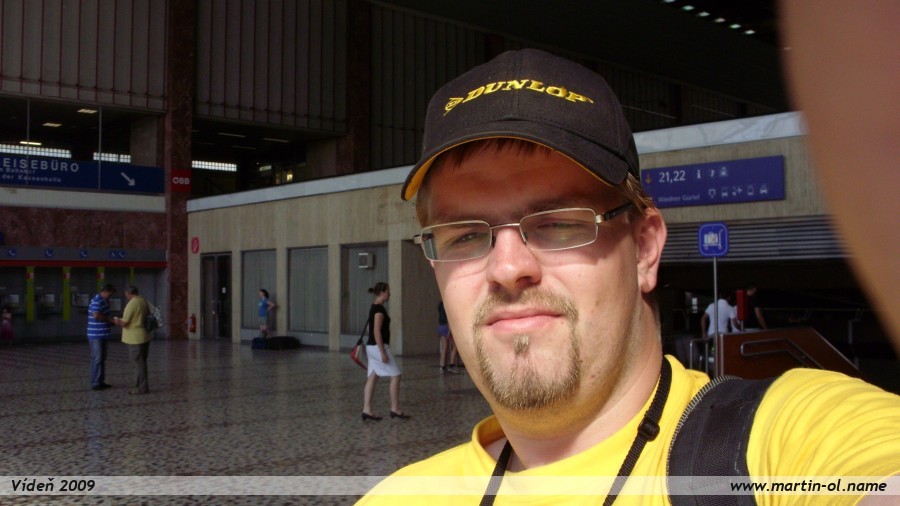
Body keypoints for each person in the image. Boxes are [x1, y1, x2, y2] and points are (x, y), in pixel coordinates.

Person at [359, 49, 899, 503]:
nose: (507, 267)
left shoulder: (783, 443)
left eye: (558, 223)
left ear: (644, 249)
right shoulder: (400, 496)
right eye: (464, 236)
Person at [361, 282, 409, 421]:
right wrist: (382, 352)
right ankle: (395, 409)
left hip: (371, 347)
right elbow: (376, 331)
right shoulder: (379, 310)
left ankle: (366, 409)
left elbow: (370, 329)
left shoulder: (374, 307)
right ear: (382, 292)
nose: (390, 294)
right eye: (388, 291)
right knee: (396, 375)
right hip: (378, 347)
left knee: (373, 376)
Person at [112, 285, 151, 395]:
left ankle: (141, 388)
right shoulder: (143, 300)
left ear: (128, 293)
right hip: (144, 335)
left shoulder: (132, 304)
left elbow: (124, 323)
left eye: (126, 294)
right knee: (142, 362)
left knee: (139, 364)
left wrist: (116, 320)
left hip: (135, 338)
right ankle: (142, 386)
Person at [87, 283, 115, 391]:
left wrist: (111, 320)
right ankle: (95, 383)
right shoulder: (97, 300)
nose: (110, 296)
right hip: (96, 335)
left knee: (102, 358)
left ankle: (100, 381)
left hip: (103, 333)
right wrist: (109, 319)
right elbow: (96, 315)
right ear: (104, 292)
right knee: (97, 358)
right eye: (109, 294)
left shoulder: (105, 301)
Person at [438, 300, 459, 374]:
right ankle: (452, 365)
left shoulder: (440, 305)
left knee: (444, 347)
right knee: (455, 346)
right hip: (446, 326)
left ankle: (442, 366)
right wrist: (450, 330)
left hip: (440, 326)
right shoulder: (447, 305)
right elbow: (448, 318)